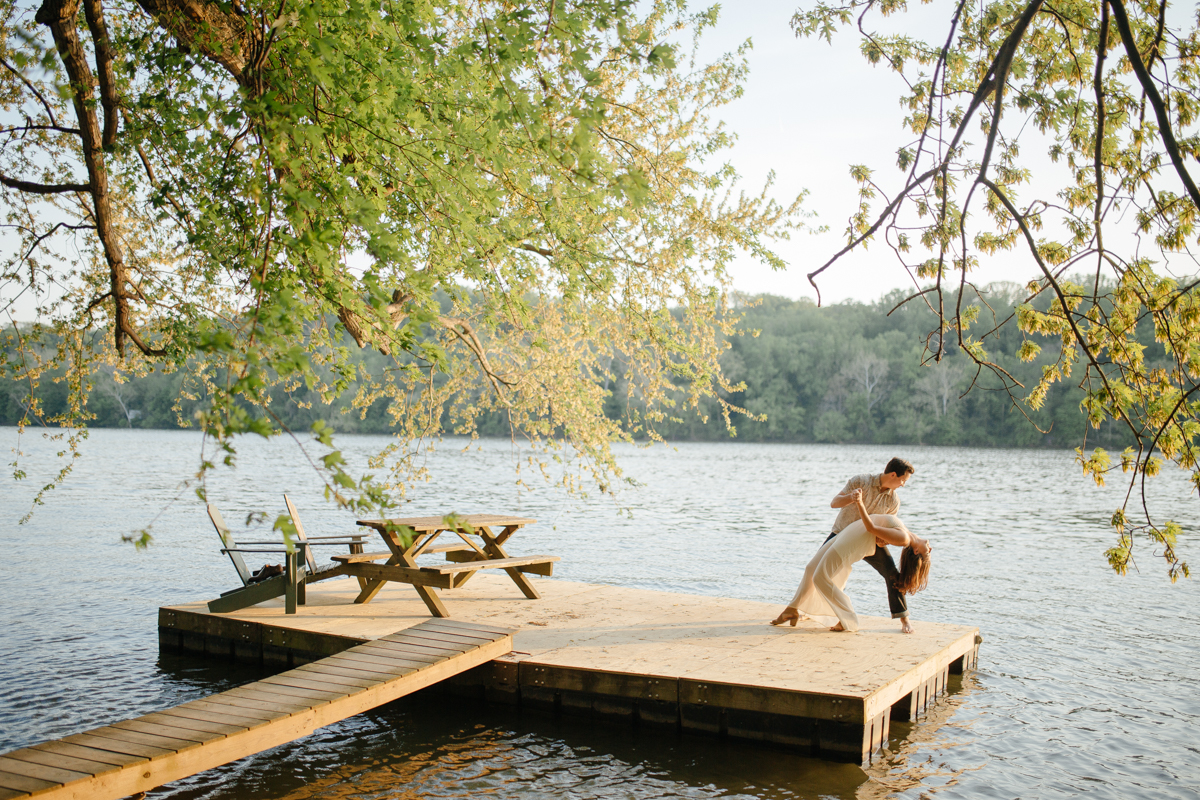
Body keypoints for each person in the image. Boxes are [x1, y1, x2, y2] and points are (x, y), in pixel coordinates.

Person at [770, 489, 931, 632]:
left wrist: (860, 503)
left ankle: (847, 619)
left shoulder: (904, 539)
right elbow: (879, 532)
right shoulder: (907, 533)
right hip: (849, 532)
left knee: (820, 577)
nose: (930, 549)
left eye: (927, 554)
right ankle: (792, 609)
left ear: (916, 551)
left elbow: (872, 528)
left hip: (854, 541)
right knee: (811, 568)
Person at [826, 457, 916, 631]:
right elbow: (834, 503)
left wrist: (884, 540)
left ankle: (904, 618)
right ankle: (821, 613)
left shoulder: (893, 501)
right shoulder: (861, 481)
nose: (903, 485)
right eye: (903, 480)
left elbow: (887, 528)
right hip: (841, 534)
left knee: (892, 573)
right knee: (818, 572)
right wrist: (852, 498)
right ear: (893, 475)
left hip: (868, 539)